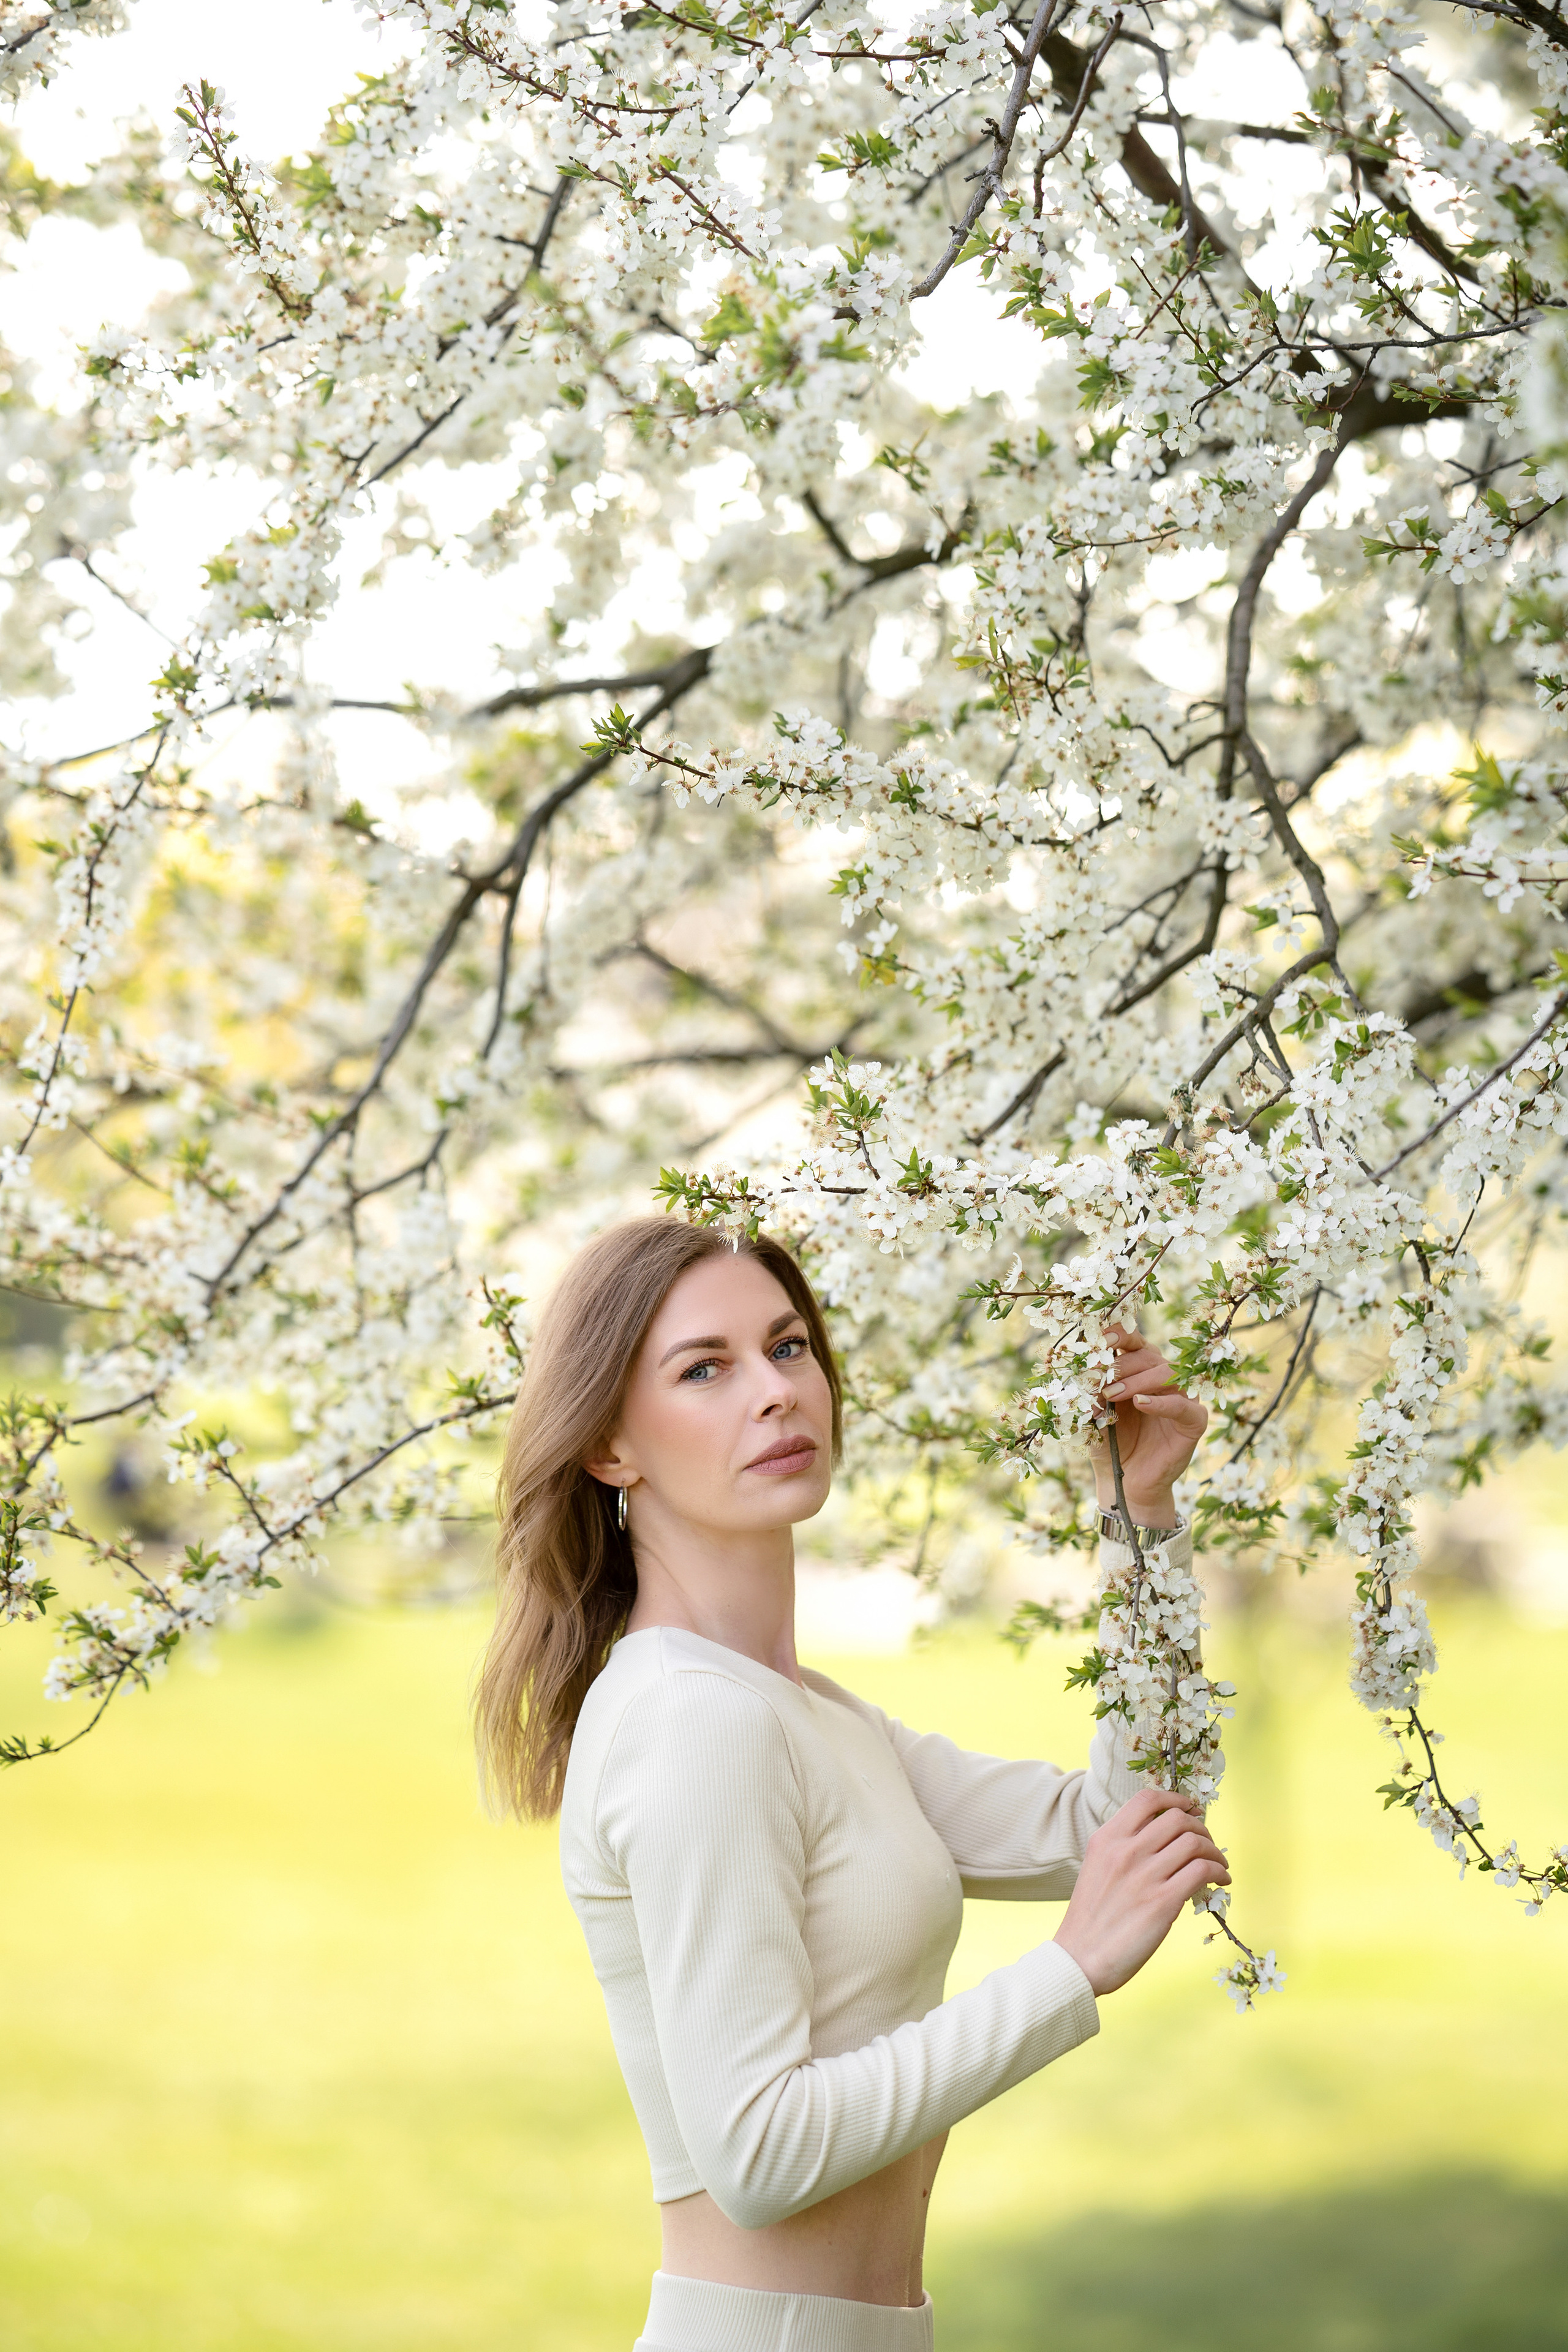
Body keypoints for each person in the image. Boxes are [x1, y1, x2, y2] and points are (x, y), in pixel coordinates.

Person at [478, 1218, 1228, 2352]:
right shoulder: (695, 1720)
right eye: (704, 1369)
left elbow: (1135, 1821)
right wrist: (1068, 1971)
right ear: (608, 1448)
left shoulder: (807, 1712)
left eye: (787, 1347)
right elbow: (758, 2154)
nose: (775, 1391)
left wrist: (1142, 1514)